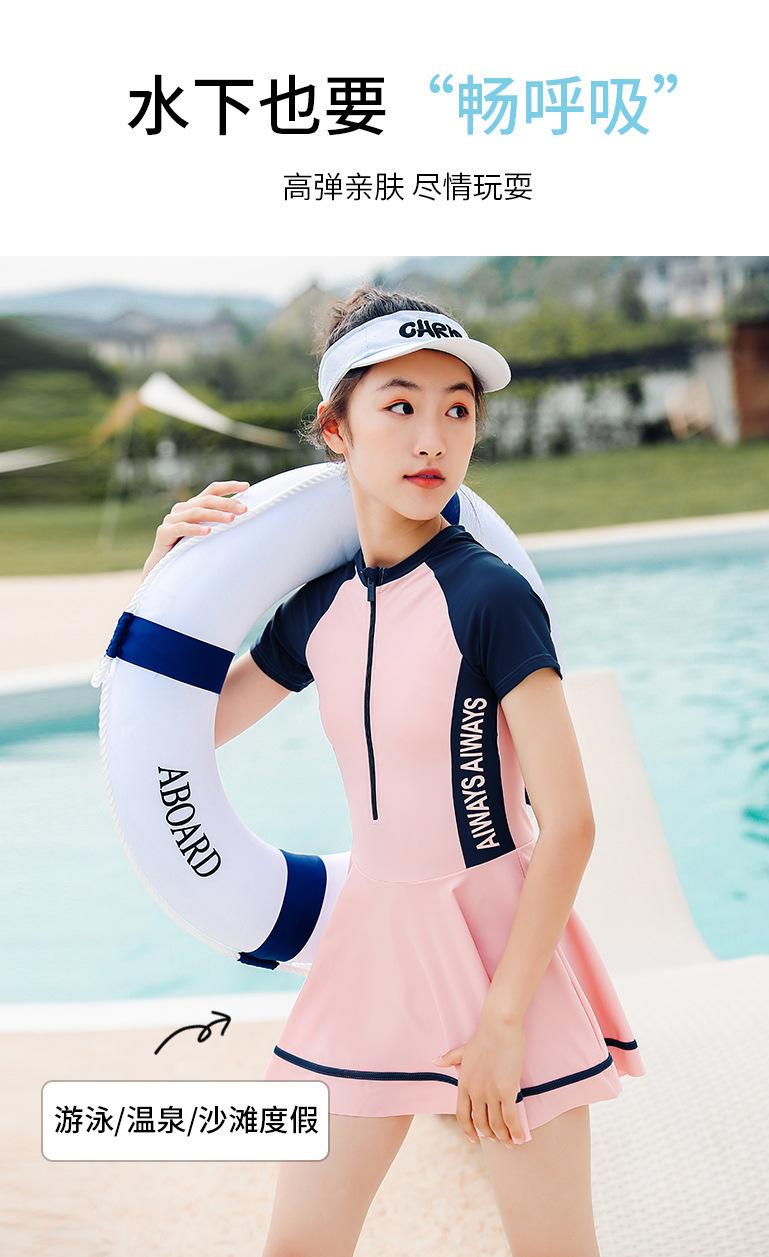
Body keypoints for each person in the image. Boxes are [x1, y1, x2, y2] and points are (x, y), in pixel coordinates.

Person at [142, 284, 646, 1257]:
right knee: (299, 1245)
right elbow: (192, 728)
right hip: (371, 946)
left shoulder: (491, 597)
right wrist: (164, 579)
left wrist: (503, 1021)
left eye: (457, 409)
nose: (432, 438)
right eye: (400, 405)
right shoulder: (318, 608)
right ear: (337, 429)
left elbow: (572, 822)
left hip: (499, 951)